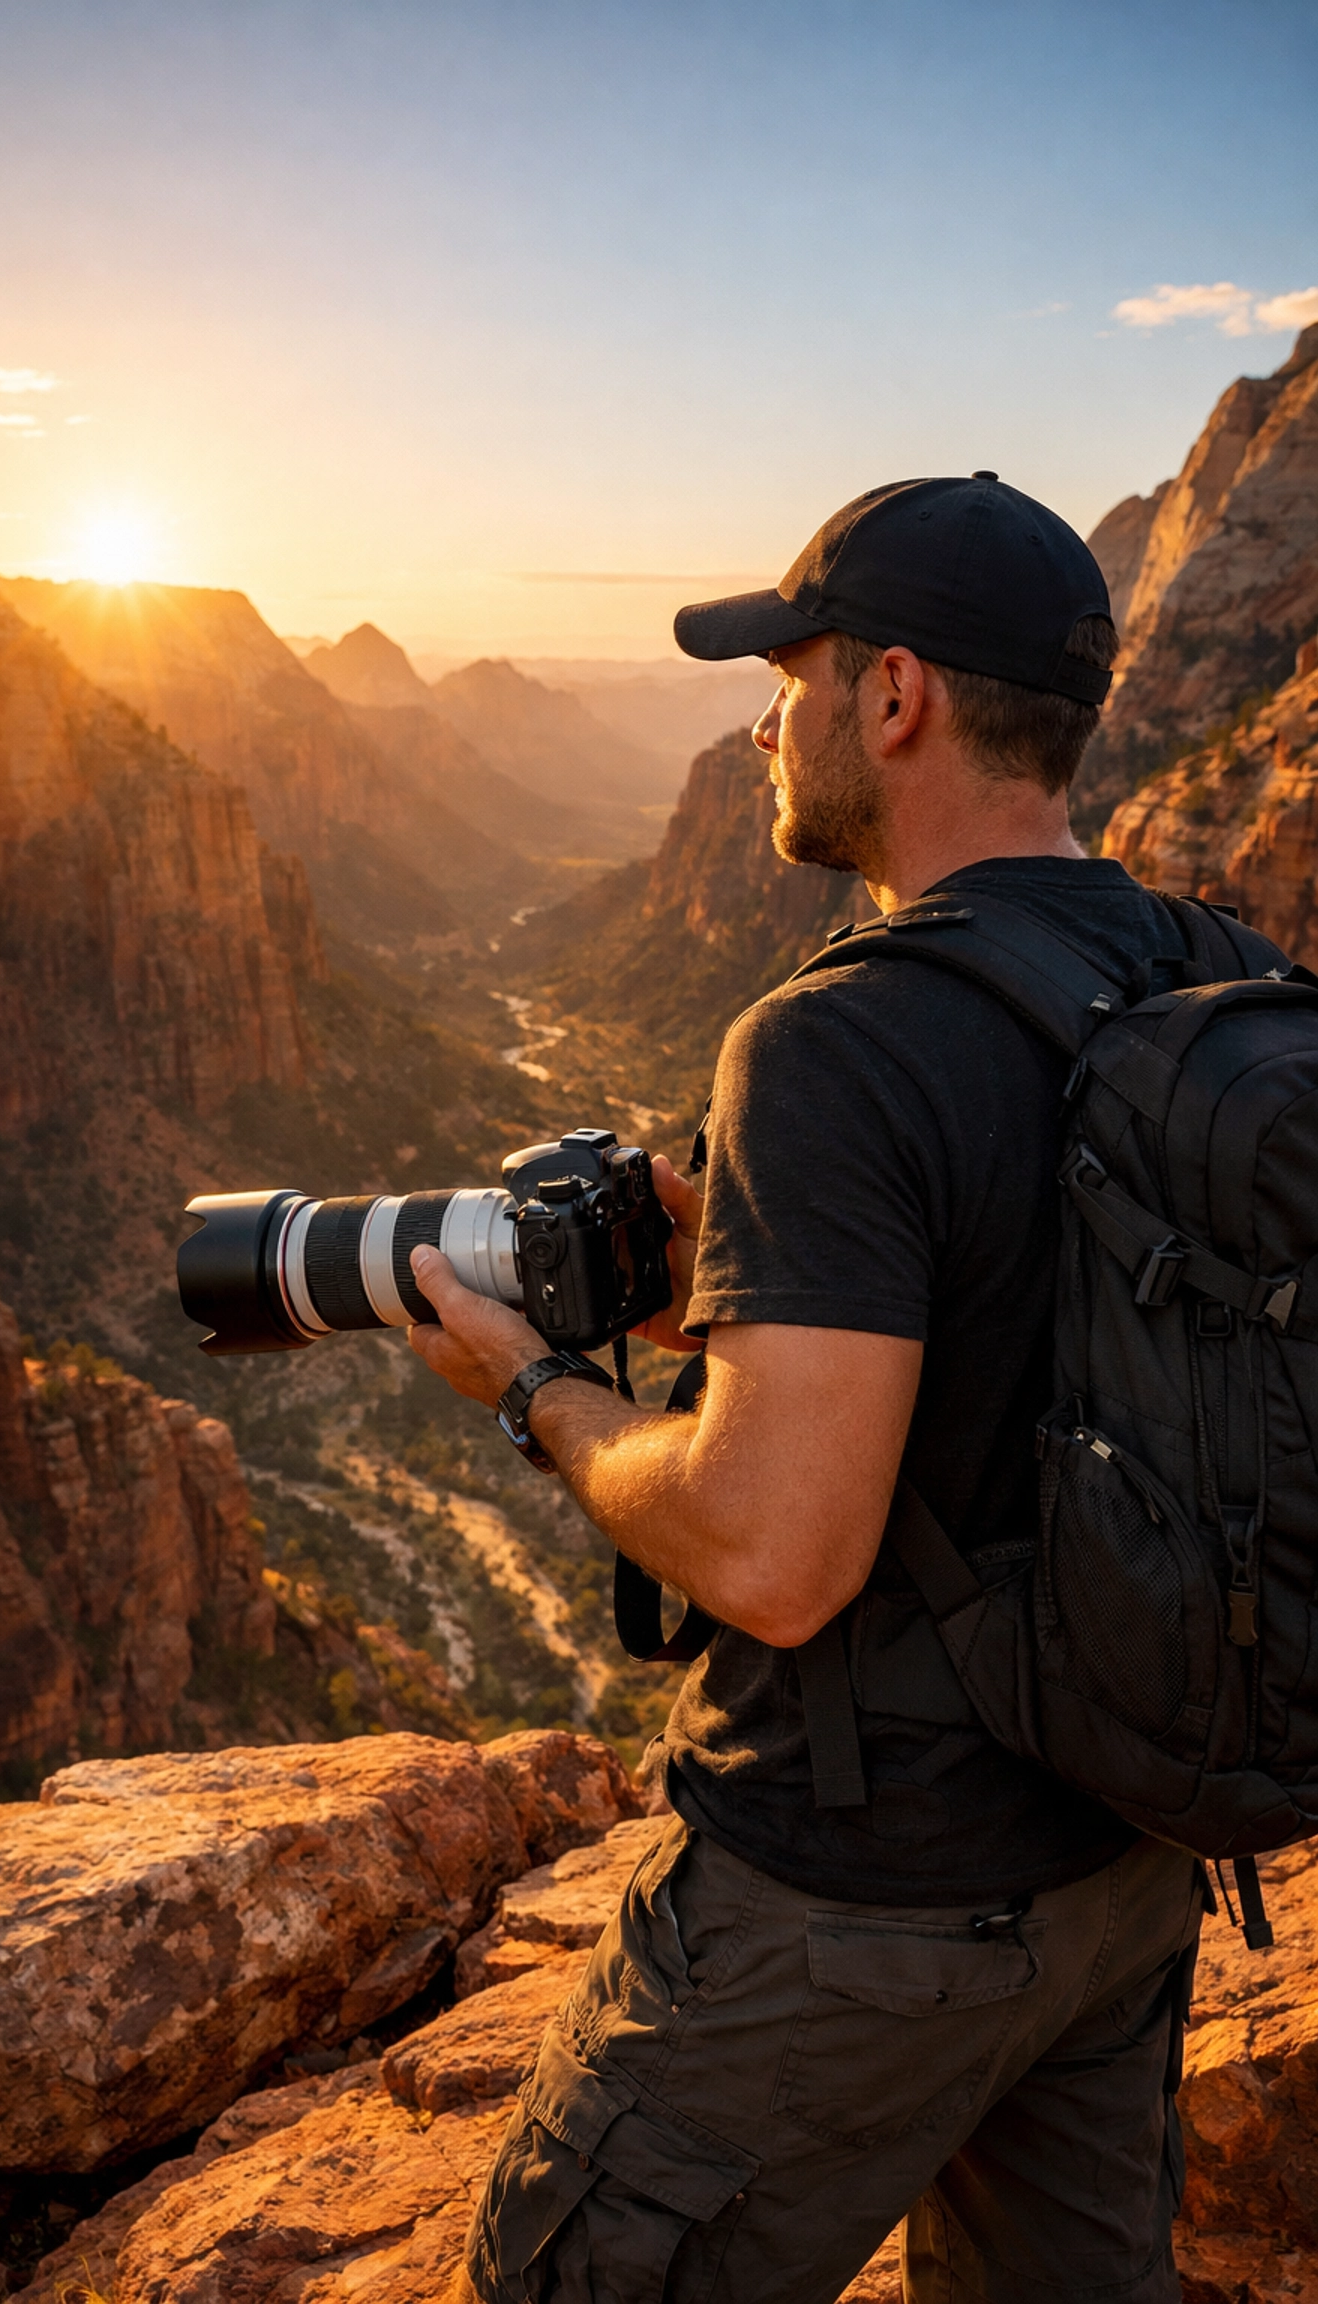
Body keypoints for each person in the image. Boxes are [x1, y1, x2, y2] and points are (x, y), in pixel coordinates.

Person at [407, 475, 1210, 2304]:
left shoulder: (836, 1035)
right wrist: (766, 1295)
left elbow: (773, 1561)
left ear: (897, 696)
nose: (760, 716)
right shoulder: (1213, 971)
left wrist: (537, 1388)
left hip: (855, 1907)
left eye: (789, 672)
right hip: (1125, 1868)